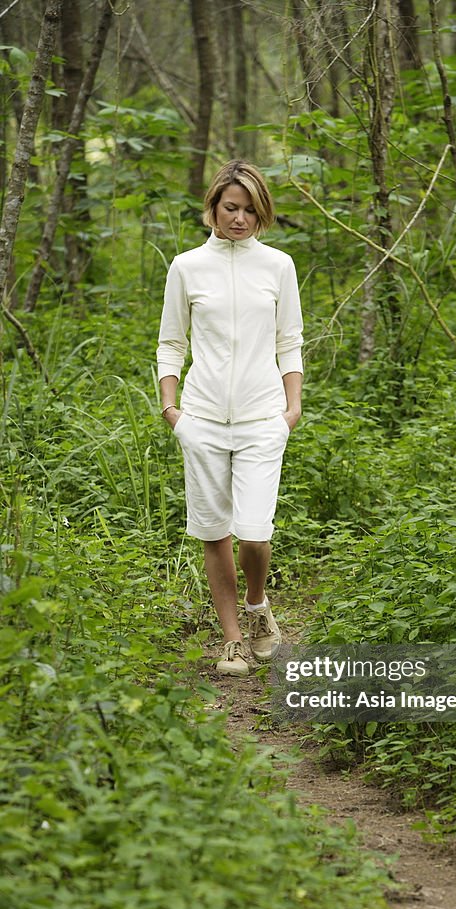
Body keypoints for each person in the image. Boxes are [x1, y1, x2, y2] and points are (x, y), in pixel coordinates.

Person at [156, 159, 303, 677]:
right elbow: (171, 341)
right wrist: (173, 410)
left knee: (255, 532)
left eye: (250, 210)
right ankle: (234, 640)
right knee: (214, 531)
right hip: (201, 418)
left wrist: (292, 407)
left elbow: (290, 341)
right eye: (231, 208)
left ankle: (258, 605)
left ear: (262, 214)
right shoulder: (187, 267)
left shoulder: (278, 266)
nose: (240, 219)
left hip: (265, 417)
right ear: (214, 208)